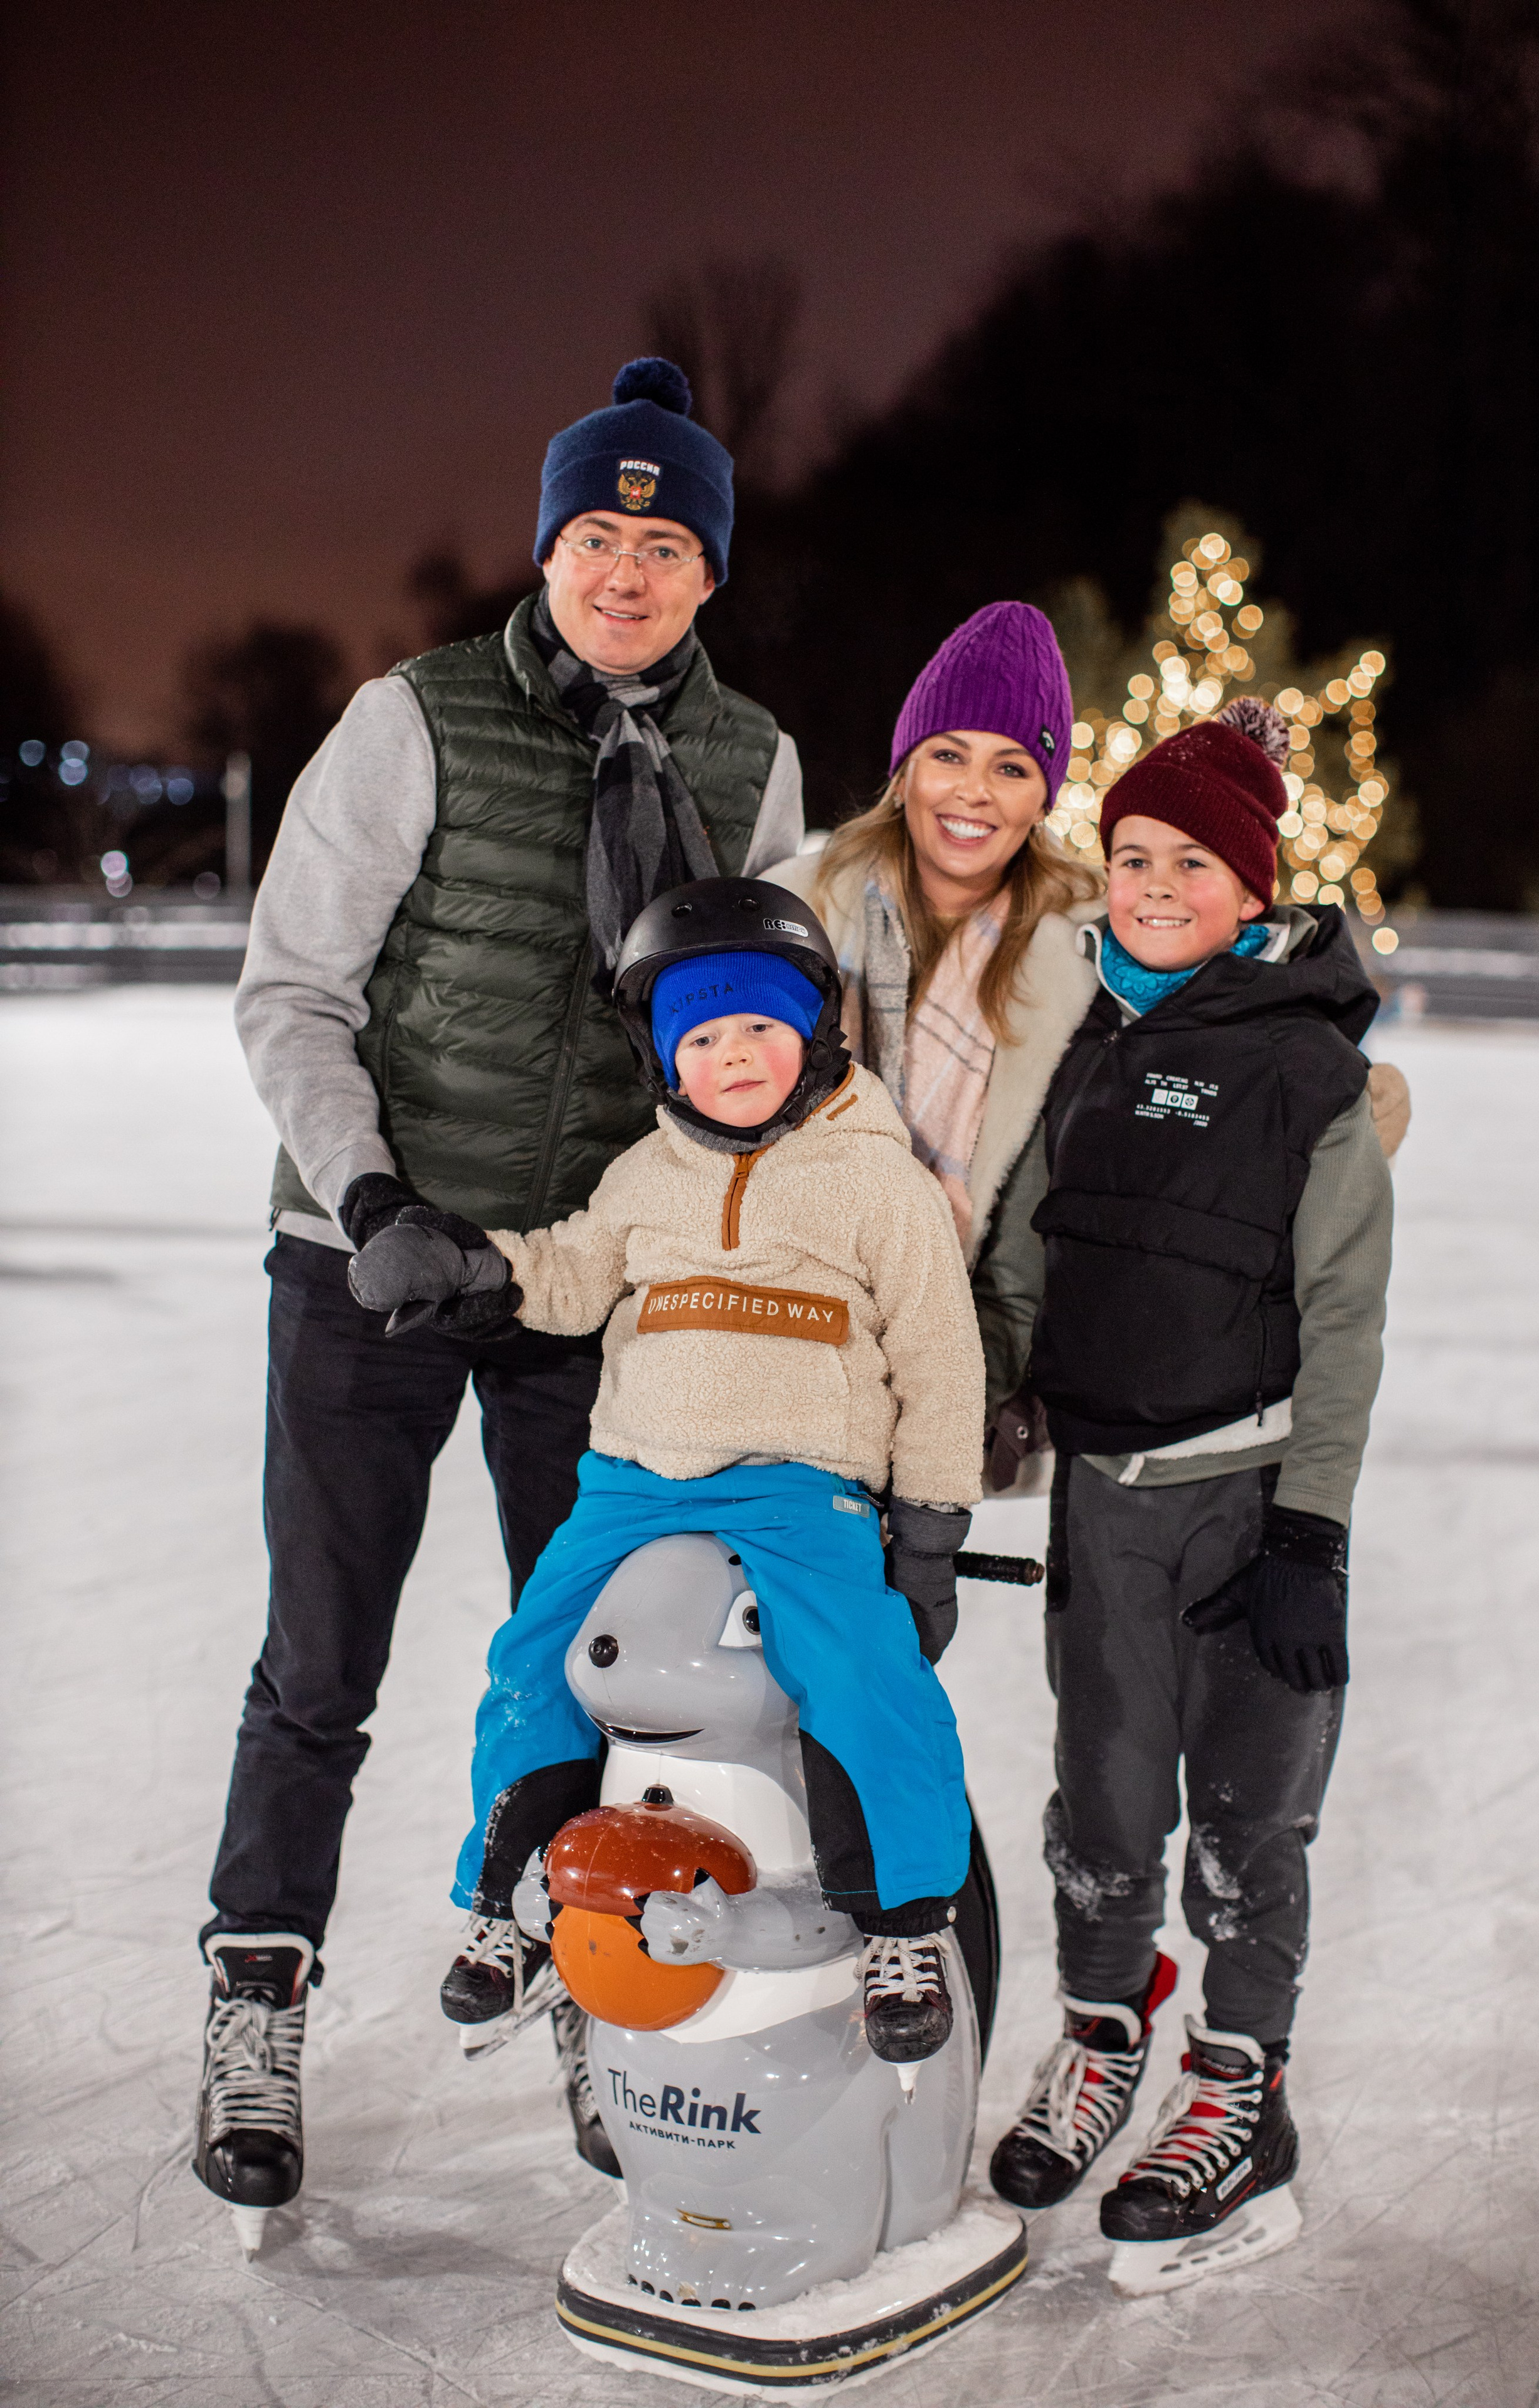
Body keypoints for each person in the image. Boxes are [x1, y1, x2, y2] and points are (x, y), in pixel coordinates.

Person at [193, 359, 806, 2224]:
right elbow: (294, 988)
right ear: (550, 547)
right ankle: (256, 1991)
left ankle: (593, 1979)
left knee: (604, 1677)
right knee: (322, 1666)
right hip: (368, 1267)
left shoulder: (754, 765)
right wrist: (370, 1193)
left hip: (585, 1292)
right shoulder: (414, 720)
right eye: (596, 534)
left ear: (710, 572)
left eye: (665, 540)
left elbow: (767, 1045)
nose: (626, 569)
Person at [347, 879, 986, 2062]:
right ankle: (512, 1901)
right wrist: (470, 1267)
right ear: (662, 1054)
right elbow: (575, 1272)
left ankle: (904, 1922)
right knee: (532, 1657)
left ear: (816, 1032)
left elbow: (941, 1359)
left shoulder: (878, 1182)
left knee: (861, 1669)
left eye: (760, 1027)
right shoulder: (646, 1176)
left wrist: (932, 1525)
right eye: (701, 1035)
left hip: (804, 1483)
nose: (733, 1055)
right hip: (633, 1483)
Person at [988, 699, 1393, 2293]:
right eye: (1132, 854)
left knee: (1242, 1819)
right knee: (1098, 1803)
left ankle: (1239, 2088)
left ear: (1251, 884)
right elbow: (1024, 1247)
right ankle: (1102, 2032)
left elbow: (1345, 1312)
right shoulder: (1085, 1038)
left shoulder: (1306, 1069)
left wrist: (1311, 1529)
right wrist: (1002, 1393)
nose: (1153, 884)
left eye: (1191, 861)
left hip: (1246, 1510)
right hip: (1102, 1500)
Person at [769, 601, 1104, 1449]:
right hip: (775, 1325)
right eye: (948, 755)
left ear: (1043, 795)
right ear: (905, 770)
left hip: (959, 1348)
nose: (973, 793)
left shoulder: (1090, 945)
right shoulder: (802, 903)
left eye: (1011, 767)